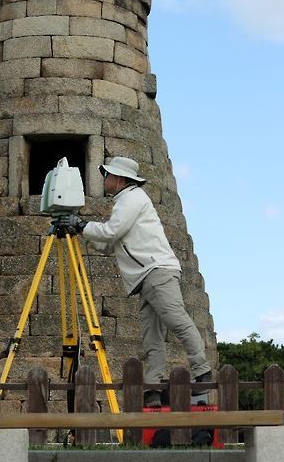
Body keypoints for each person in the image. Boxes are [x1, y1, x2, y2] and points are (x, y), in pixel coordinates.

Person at [69, 156, 211, 407]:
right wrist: (81, 230)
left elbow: (111, 232)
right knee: (152, 336)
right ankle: (153, 388)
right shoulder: (127, 201)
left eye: (108, 175)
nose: (105, 179)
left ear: (120, 179)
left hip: (156, 272)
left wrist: (81, 225)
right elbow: (106, 243)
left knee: (176, 320)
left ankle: (202, 372)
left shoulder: (132, 199)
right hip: (148, 276)